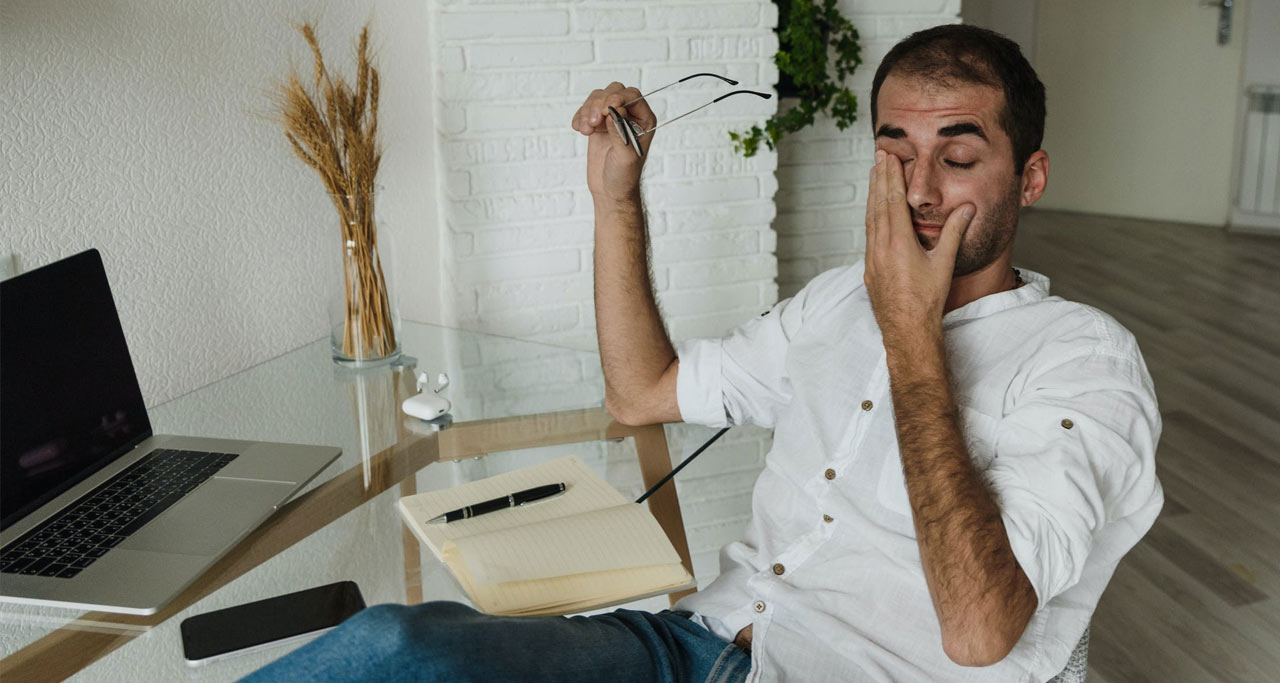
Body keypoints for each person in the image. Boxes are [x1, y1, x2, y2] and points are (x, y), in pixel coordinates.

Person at [242, 24, 1162, 683]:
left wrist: (911, 333)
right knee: (397, 647)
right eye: (895, 154)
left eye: (958, 159)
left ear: (1029, 178)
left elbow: (979, 631)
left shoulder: (1084, 360)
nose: (919, 190)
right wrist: (615, 199)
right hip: (691, 647)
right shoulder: (837, 302)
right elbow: (643, 391)